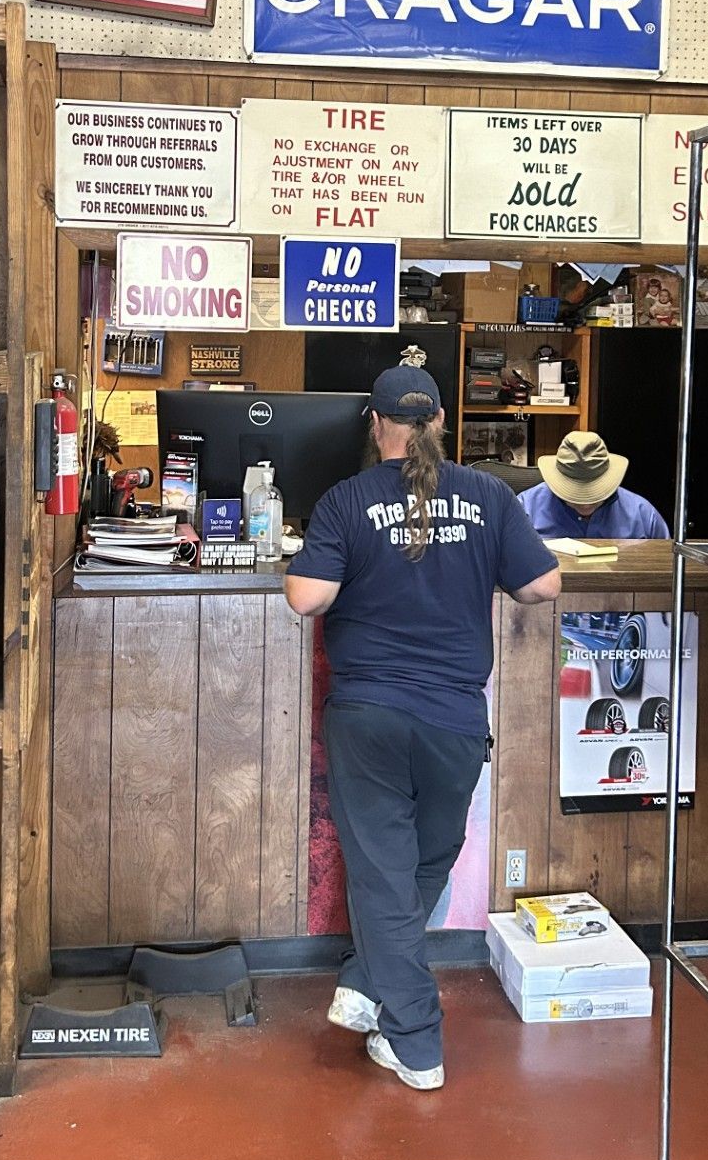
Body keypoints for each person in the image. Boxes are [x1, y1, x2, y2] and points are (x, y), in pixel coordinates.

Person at [283, 366, 561, 1093]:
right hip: (454, 721)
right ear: (439, 420)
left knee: (385, 874)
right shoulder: (489, 494)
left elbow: (307, 597)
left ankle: (416, 1040)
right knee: (419, 865)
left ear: (376, 426)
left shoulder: (348, 499)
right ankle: (368, 983)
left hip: (369, 715)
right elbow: (543, 585)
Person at [519, 430, 670, 541]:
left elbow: (669, 570)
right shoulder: (524, 510)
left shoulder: (644, 515)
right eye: (575, 496)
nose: (585, 504)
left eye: (595, 494)